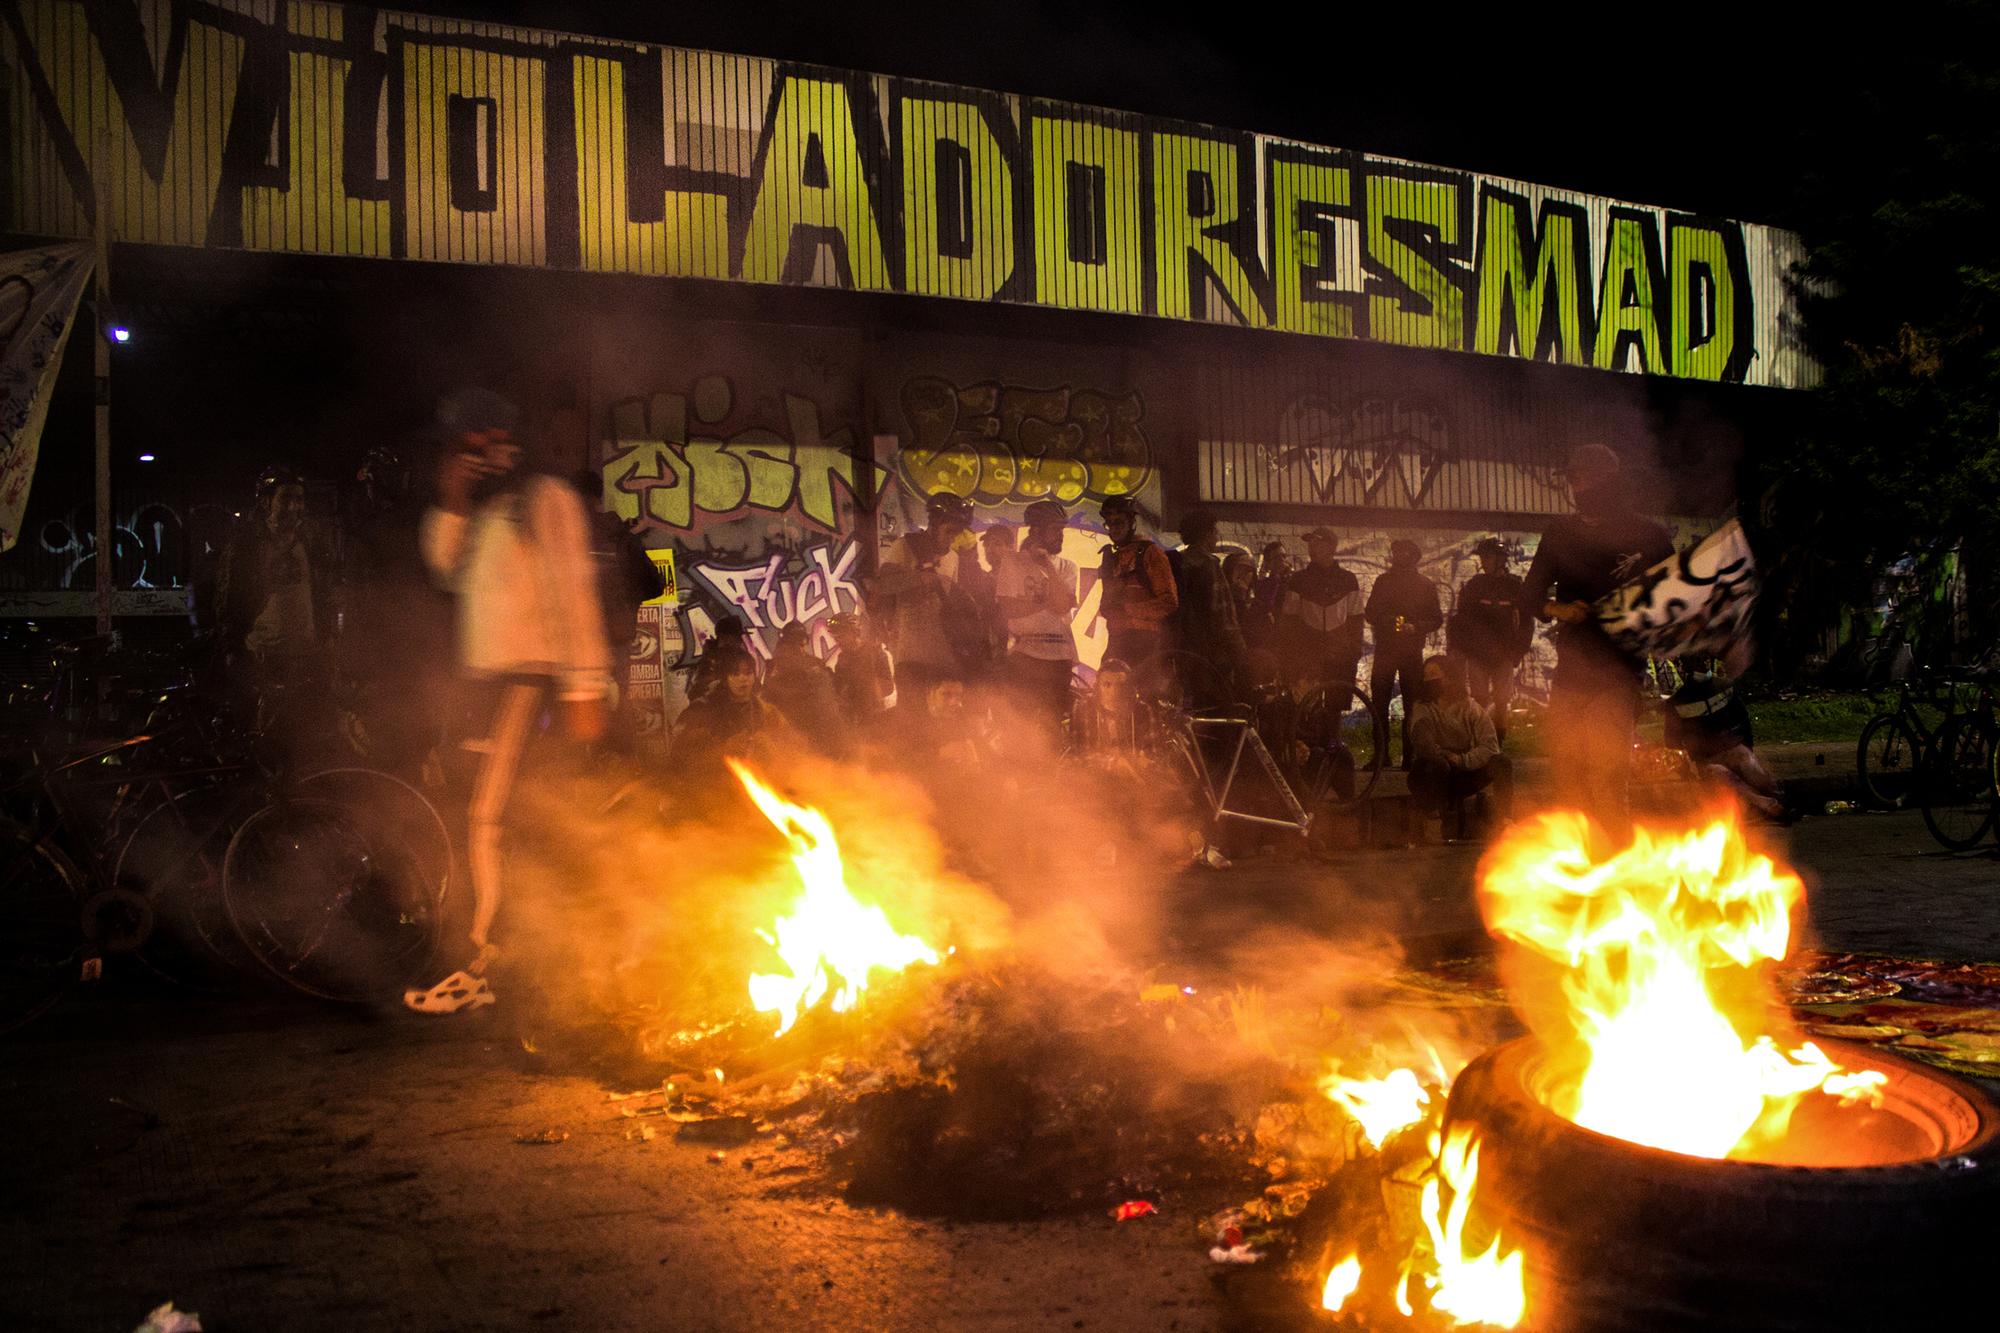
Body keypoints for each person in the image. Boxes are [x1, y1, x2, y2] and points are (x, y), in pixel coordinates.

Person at [404, 389, 611, 1015]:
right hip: (485, 688)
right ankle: (513, 962)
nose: (481, 456)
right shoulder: (483, 510)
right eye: (467, 448)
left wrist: (584, 688)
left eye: (488, 443)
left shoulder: (544, 499)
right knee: (487, 824)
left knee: (491, 822)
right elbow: (444, 569)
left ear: (509, 442)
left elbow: (573, 596)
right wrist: (453, 498)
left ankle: (485, 965)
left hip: (532, 683)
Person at [1521, 443, 1675, 819]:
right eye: (1573, 480)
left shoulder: (1646, 534)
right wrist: (1559, 609)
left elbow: (1678, 592)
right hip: (1571, 673)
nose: (1577, 488)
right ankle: (1580, 864)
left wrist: (1645, 615)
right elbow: (1529, 595)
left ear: (1608, 481)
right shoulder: (1560, 533)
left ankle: (1612, 857)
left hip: (1618, 673)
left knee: (1607, 773)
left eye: (1583, 478)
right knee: (1568, 772)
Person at [340, 444, 453, 780]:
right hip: (410, 658)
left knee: (389, 756)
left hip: (393, 662)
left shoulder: (377, 530)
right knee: (408, 752)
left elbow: (361, 603)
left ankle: (400, 820)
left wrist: (353, 668)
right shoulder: (414, 523)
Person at [217, 464, 331, 710]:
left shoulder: (310, 543)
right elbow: (229, 598)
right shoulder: (247, 545)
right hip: (263, 658)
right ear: (266, 502)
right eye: (286, 499)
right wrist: (231, 649)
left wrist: (327, 638)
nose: (294, 507)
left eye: (299, 499)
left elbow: (323, 594)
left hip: (305, 656)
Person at [570, 469, 666, 726]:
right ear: (599, 498)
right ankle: (618, 761)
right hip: (617, 639)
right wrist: (627, 601)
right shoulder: (619, 536)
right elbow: (655, 585)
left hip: (574, 644)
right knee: (619, 706)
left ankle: (583, 762)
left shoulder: (565, 537)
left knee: (577, 712)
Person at [875, 492, 984, 701]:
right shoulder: (905, 547)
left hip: (945, 659)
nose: (953, 538)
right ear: (934, 524)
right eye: (949, 531)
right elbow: (882, 585)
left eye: (957, 533)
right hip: (910, 656)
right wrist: (918, 578)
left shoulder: (953, 557)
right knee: (913, 720)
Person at [995, 499, 1080, 731]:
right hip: (1024, 657)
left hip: (1059, 659)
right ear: (1037, 530)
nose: (1060, 536)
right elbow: (1008, 609)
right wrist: (1047, 602)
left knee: (1053, 726)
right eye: (1055, 530)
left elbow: (1062, 606)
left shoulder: (1067, 567)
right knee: (1021, 728)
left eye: (1062, 530)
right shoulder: (1012, 562)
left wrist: (1047, 566)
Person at [1408, 655, 1514, 838]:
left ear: (1450, 677)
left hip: (1461, 770)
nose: (1430, 680)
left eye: (1435, 674)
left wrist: (1464, 760)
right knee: (1436, 765)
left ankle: (1504, 820)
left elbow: (1490, 746)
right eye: (1427, 675)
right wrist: (1444, 756)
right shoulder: (1422, 708)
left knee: (1501, 763)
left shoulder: (1470, 707)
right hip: (1431, 773)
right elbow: (1424, 744)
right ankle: (1433, 818)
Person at [1666, 661, 1784, 819]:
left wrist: (1744, 746)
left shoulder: (1682, 699)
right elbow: (1671, 741)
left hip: (1723, 752)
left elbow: (1671, 741)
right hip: (1713, 757)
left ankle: (1773, 801)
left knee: (1743, 762)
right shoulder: (1719, 687)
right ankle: (1768, 803)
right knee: (1732, 768)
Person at [1365, 539, 1442, 769]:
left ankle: (1411, 755)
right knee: (1379, 703)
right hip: (1386, 649)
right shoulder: (1383, 582)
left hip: (1410, 652)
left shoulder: (1425, 585)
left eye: (1403, 552)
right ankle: (1381, 755)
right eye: (1396, 551)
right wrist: (1389, 622)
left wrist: (1416, 627)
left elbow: (1436, 618)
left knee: (1412, 704)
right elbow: (1370, 612)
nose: (1398, 555)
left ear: (1413, 555)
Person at [1450, 537, 1531, 743]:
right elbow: (1462, 620)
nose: (1483, 561)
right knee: (1479, 700)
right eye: (1483, 557)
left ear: (1500, 559)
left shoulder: (1514, 587)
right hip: (1478, 654)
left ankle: (1498, 743)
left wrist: (1517, 652)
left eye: (1487, 557)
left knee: (1502, 701)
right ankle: (1481, 741)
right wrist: (1462, 649)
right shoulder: (1475, 586)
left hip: (1504, 654)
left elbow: (1526, 622)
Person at [673, 649, 793, 776]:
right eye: (735, 674)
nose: (743, 679)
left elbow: (792, 750)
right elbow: (679, 757)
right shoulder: (702, 710)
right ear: (725, 678)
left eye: (748, 673)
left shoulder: (767, 712)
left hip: (758, 785)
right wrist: (723, 751)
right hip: (713, 788)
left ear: (754, 677)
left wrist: (770, 748)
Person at [1279, 526, 1364, 702]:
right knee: (1308, 707)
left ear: (1331, 547)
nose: (1311, 547)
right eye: (1310, 543)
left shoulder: (1347, 580)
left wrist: (1354, 651)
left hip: (1340, 655)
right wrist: (1291, 654)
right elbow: (1289, 620)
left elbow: (1356, 619)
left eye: (1317, 543)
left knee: (1336, 706)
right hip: (1308, 655)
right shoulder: (1299, 580)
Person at [1095, 494, 1179, 669]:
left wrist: (1127, 610)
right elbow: (1107, 605)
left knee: (1145, 694)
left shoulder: (1151, 553)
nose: (1113, 529)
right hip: (1117, 642)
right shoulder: (1113, 558)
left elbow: (1169, 602)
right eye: (1109, 524)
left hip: (1146, 643)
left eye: (1118, 523)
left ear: (1131, 523)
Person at [1173, 509, 1248, 702]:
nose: (1216, 537)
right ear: (1207, 534)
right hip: (1211, 655)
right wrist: (1240, 652)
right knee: (1222, 709)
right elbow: (1223, 615)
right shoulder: (1209, 565)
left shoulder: (1178, 563)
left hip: (1182, 651)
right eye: (1215, 532)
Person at [763, 624, 849, 757]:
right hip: (795, 733)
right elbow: (770, 698)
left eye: (800, 643)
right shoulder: (779, 666)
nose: (798, 649)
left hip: (818, 731)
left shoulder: (815, 665)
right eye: (793, 644)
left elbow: (828, 700)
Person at [827, 612, 894, 722]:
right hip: (858, 720)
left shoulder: (876, 652)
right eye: (835, 637)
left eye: (841, 635)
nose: (838, 641)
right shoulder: (843, 658)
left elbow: (887, 687)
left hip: (880, 718)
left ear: (855, 632)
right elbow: (840, 689)